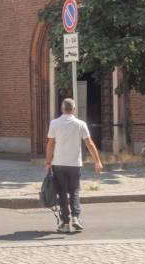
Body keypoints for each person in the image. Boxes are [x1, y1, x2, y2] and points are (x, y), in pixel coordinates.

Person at [44, 98, 103, 234]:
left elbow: (50, 144)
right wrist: (97, 161)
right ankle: (76, 217)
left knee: (63, 193)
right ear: (74, 109)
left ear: (62, 109)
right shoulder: (80, 124)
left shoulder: (54, 123)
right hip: (75, 164)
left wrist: (48, 162)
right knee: (74, 190)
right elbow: (90, 143)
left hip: (58, 163)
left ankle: (65, 223)